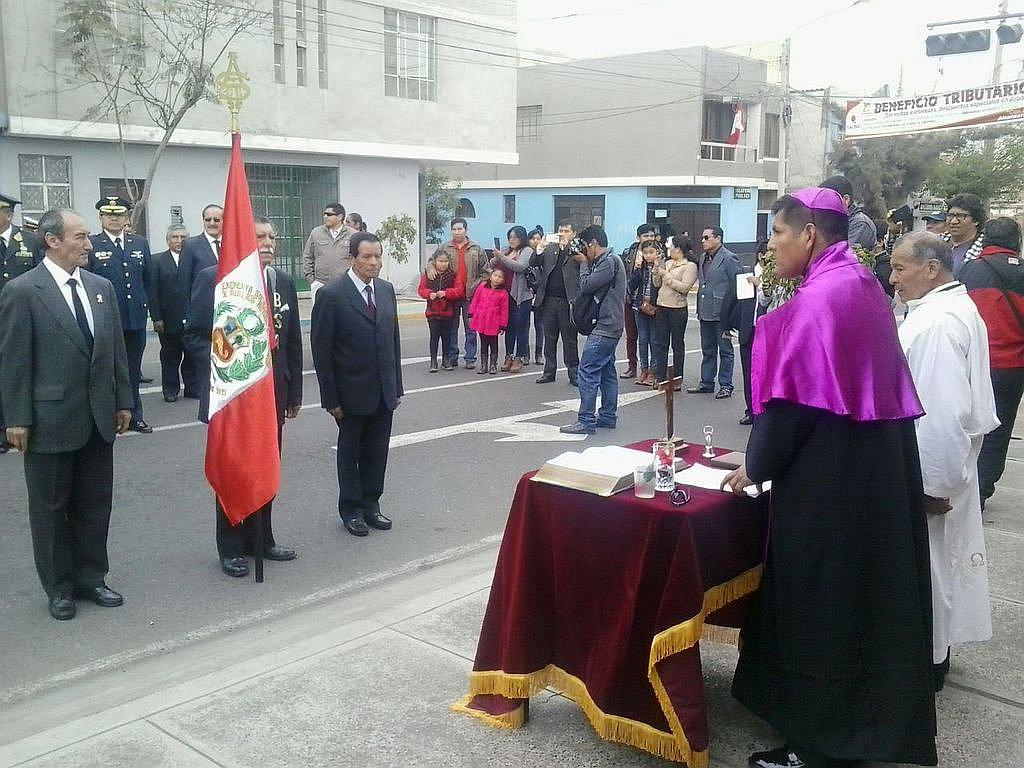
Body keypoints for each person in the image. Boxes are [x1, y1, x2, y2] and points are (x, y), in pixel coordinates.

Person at [721, 188, 936, 768]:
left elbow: (791, 403)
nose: (771, 246)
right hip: (873, 472)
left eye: (778, 233)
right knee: (864, 601)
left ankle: (817, 746)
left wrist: (755, 466)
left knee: (820, 605)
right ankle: (864, 727)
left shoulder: (820, 298)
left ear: (809, 234)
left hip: (828, 481)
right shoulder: (860, 283)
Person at [0, 208, 133, 620]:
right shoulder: (23, 290)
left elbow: (115, 351)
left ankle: (92, 577)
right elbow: (14, 361)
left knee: (94, 504)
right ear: (52, 241)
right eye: (80, 237)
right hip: (49, 421)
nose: (88, 244)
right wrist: (16, 419)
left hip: (97, 417)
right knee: (50, 509)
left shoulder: (100, 287)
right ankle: (59, 587)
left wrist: (124, 401)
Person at [890, 231, 998, 692]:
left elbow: (940, 414)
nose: (893, 279)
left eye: (900, 268)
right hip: (940, 470)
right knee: (937, 570)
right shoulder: (944, 309)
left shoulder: (937, 324)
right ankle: (931, 654)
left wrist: (931, 487)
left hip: (931, 474)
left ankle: (926, 662)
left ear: (931, 269)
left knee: (932, 569)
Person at [186, 216, 301, 577]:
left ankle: (261, 539)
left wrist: (293, 393)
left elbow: (292, 342)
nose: (268, 243)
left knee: (265, 466)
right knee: (233, 470)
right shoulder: (216, 279)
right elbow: (195, 336)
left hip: (271, 396)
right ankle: (231, 546)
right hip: (232, 397)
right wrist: (228, 367)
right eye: (260, 237)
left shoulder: (281, 282)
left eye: (272, 237)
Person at [311, 232, 403, 538]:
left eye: (377, 256)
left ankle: (371, 504)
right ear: (352, 258)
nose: (374, 262)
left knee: (377, 451)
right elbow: (322, 352)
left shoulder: (386, 290)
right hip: (350, 394)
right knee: (350, 454)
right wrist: (331, 399)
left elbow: (393, 341)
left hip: (383, 392)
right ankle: (351, 509)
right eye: (367, 256)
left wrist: (396, 387)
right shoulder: (332, 295)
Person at [959, 216, 1024, 510]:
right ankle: (982, 490)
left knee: (966, 423)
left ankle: (961, 486)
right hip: (1011, 368)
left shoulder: (970, 271)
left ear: (985, 241)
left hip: (973, 363)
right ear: (1016, 242)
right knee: (999, 429)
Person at [87, 196, 153, 433]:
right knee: (107, 371)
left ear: (126, 217)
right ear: (101, 217)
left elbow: (147, 280)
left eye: (118, 214)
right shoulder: (93, 244)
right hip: (106, 320)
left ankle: (135, 416)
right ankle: (108, 416)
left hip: (135, 319)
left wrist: (148, 310)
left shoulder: (139, 243)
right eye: (108, 214)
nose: (114, 218)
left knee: (132, 370)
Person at [560, 225, 625, 435]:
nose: (584, 251)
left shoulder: (608, 261)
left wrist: (583, 264)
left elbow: (586, 285)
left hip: (605, 326)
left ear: (593, 243)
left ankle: (586, 420)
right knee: (607, 371)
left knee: (587, 370)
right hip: (610, 324)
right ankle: (607, 416)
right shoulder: (608, 260)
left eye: (586, 246)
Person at [0, 193, 42, 453]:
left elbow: (41, 278)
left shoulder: (29, 240)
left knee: (18, 369)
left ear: (9, 214)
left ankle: (16, 421)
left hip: (22, 318)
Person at [427, 218, 488, 370]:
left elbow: (486, 272)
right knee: (451, 328)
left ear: (466, 230)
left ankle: (470, 358)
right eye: (454, 229)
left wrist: (475, 285)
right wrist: (430, 268)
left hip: (470, 295)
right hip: (451, 294)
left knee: (470, 328)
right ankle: (452, 356)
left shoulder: (476, 248)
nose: (457, 232)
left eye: (460, 229)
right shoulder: (445, 247)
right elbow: (431, 261)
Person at [689, 225, 740, 398]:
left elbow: (736, 285)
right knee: (708, 349)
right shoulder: (703, 257)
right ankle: (707, 382)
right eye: (702, 238)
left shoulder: (729, 258)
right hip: (705, 310)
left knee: (725, 350)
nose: (702, 241)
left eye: (706, 237)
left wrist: (733, 312)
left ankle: (726, 384)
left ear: (718, 238)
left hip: (722, 312)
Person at [148, 224, 196, 402]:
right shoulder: (157, 261)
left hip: (191, 318)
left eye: (183, 237)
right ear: (168, 240)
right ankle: (170, 390)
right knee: (170, 356)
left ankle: (192, 388)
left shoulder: (194, 259)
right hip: (168, 319)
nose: (179, 241)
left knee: (191, 355)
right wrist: (156, 318)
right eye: (175, 237)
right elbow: (153, 291)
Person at [531, 219, 580, 386]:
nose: (563, 234)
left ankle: (574, 373)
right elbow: (533, 263)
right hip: (549, 299)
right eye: (561, 231)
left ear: (573, 233)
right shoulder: (550, 248)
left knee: (569, 339)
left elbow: (583, 264)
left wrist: (567, 248)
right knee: (550, 338)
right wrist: (540, 248)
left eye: (567, 231)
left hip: (568, 301)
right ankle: (549, 371)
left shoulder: (577, 249)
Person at [651, 236, 697, 390]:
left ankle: (677, 378)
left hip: (677, 309)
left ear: (678, 248)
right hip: (662, 307)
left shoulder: (689, 266)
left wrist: (666, 275)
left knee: (677, 344)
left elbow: (684, 288)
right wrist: (656, 270)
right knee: (660, 344)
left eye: (671, 246)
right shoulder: (668, 263)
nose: (668, 249)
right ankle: (660, 377)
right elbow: (657, 284)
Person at [488, 226, 535, 373]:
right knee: (509, 327)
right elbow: (491, 265)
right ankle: (508, 355)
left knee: (521, 327)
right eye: (510, 237)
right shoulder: (506, 250)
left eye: (515, 237)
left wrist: (502, 258)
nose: (512, 240)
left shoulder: (527, 251)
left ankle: (519, 357)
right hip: (505, 295)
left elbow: (520, 266)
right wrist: (497, 257)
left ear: (522, 238)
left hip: (521, 296)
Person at [719, 252, 759, 425]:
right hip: (750, 331)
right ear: (762, 256)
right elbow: (730, 300)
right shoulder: (746, 274)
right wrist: (726, 326)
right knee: (749, 373)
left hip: (772, 334)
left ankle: (766, 411)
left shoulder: (782, 277)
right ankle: (751, 410)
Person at [619, 224, 657, 378]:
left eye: (651, 236)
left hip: (651, 302)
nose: (649, 238)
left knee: (651, 337)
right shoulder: (629, 253)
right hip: (631, 300)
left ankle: (651, 370)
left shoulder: (658, 252)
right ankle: (632, 367)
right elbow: (623, 275)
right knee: (632, 336)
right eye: (645, 236)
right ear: (638, 238)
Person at [417, 251, 464, 372]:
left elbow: (459, 290)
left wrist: (446, 293)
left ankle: (446, 359)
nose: (443, 264)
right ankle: (433, 361)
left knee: (446, 337)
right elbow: (421, 290)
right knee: (434, 336)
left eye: (445, 261)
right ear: (435, 262)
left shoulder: (452, 275)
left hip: (447, 311)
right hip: (432, 312)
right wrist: (429, 294)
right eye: (440, 261)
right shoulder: (428, 275)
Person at [627, 240, 663, 386]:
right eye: (645, 253)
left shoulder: (662, 266)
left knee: (654, 340)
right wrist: (636, 268)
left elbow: (659, 285)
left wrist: (657, 267)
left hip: (656, 307)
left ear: (657, 253)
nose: (648, 255)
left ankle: (653, 372)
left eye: (651, 252)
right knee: (642, 340)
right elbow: (631, 285)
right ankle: (644, 370)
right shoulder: (640, 268)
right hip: (640, 307)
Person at [302, 202, 351, 305]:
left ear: (340, 217)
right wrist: (312, 280)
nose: (325, 217)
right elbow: (308, 256)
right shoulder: (316, 233)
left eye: (329, 214)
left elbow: (357, 258)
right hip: (320, 284)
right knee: (321, 313)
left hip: (344, 285)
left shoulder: (352, 234)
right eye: (324, 214)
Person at [469, 268, 510, 375]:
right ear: (491, 277)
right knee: (483, 343)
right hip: (481, 319)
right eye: (495, 275)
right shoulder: (482, 286)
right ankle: (483, 365)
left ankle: (493, 365)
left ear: (503, 280)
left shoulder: (503, 293)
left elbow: (504, 310)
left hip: (493, 321)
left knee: (493, 343)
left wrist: (503, 325)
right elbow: (475, 300)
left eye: (500, 277)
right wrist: (471, 313)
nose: (497, 278)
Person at [821, 174, 877, 251]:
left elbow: (841, 254)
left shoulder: (860, 223)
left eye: (826, 200)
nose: (822, 205)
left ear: (846, 200)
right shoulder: (835, 223)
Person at [180, 203, 223, 293]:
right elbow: (184, 282)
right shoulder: (190, 245)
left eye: (216, 220)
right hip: (202, 300)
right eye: (208, 220)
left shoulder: (231, 244)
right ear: (203, 221)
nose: (212, 223)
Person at [946, 193, 986, 274]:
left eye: (961, 216)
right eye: (950, 215)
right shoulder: (936, 241)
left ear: (976, 220)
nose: (954, 221)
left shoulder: (984, 249)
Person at [526, 226, 547, 367]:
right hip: (527, 293)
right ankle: (525, 354)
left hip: (540, 295)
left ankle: (539, 354)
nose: (535, 241)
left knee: (540, 326)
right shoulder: (525, 254)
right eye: (532, 238)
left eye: (538, 238)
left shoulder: (545, 255)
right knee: (525, 326)